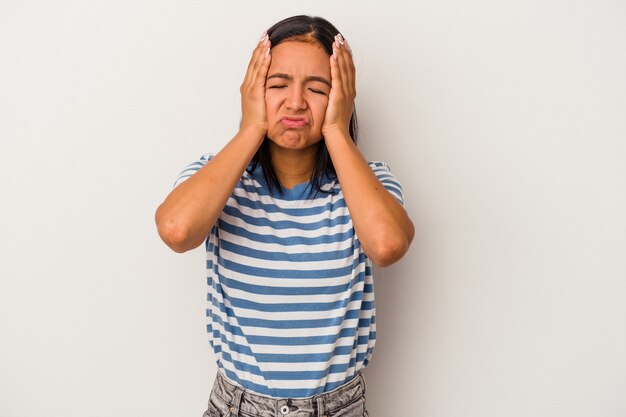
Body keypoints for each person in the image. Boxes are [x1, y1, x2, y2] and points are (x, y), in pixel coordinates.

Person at [155, 15, 414, 417]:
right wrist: (252, 126)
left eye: (317, 88)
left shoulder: (370, 184)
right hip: (237, 406)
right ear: (253, 90)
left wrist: (338, 132)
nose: (295, 102)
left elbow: (387, 245)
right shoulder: (218, 179)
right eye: (278, 85)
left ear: (342, 97)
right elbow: (176, 230)